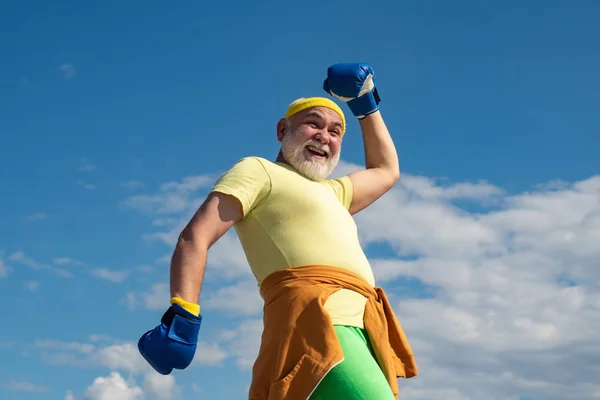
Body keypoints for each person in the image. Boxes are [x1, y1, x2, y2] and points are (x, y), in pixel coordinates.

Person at [137, 63, 418, 399]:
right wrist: (183, 313)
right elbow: (195, 236)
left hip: (364, 330)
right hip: (316, 323)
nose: (324, 136)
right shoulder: (259, 171)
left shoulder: (334, 192)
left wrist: (364, 104)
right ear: (282, 129)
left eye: (335, 131)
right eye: (313, 123)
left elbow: (386, 170)